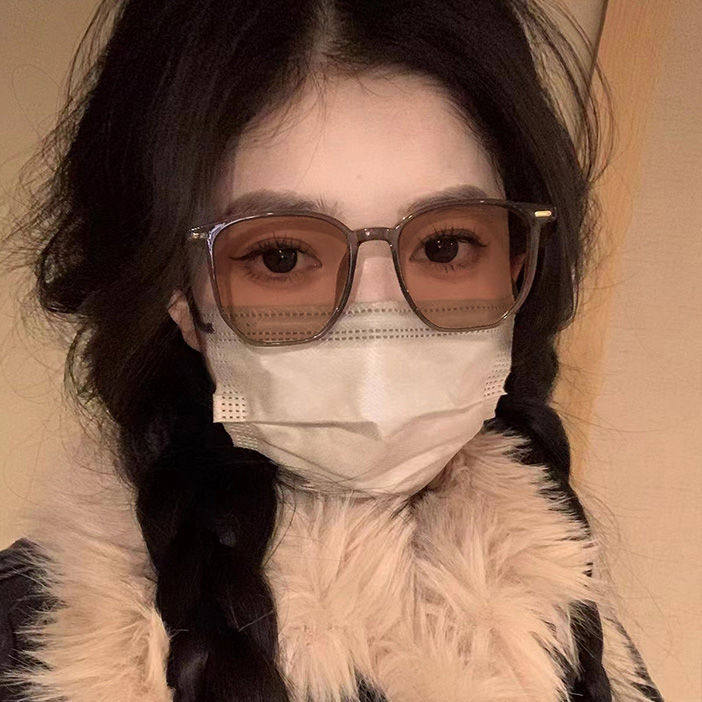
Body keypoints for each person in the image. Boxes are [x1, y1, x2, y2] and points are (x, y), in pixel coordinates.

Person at [0, 0, 663, 700]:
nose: (377, 333)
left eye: (446, 246)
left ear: (517, 262)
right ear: (180, 297)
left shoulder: (579, 635)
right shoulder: (25, 640)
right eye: (281, 257)